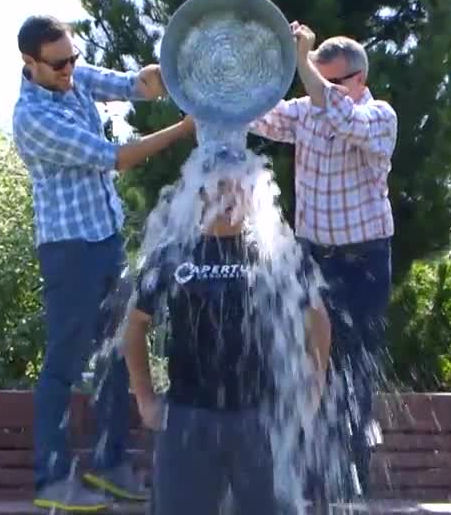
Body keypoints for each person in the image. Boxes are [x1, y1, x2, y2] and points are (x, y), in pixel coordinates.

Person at [12, 15, 195, 512]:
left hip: (106, 240)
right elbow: (115, 157)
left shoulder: (72, 74)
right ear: (30, 62)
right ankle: (51, 479)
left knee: (115, 354)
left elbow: (134, 85)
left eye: (72, 57)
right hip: (69, 250)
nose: (69, 69)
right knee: (64, 364)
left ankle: (110, 463)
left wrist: (166, 75)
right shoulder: (32, 117)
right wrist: (184, 128)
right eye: (58, 64)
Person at [121, 149, 332, 515]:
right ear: (200, 192)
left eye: (239, 186)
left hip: (261, 419)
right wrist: (145, 397)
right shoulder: (173, 255)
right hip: (187, 416)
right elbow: (135, 325)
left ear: (253, 193)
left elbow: (318, 318)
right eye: (220, 186)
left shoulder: (277, 255)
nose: (229, 195)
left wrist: (313, 389)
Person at [249, 23, 398, 501]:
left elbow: (345, 120)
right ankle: (310, 479)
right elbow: (257, 116)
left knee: (355, 368)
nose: (318, 91)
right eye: (316, 79)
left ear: (359, 79)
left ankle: (351, 483)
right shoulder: (306, 112)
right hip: (315, 261)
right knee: (311, 367)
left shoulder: (379, 116)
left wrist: (303, 63)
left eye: (330, 82)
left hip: (363, 263)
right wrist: (211, 88)